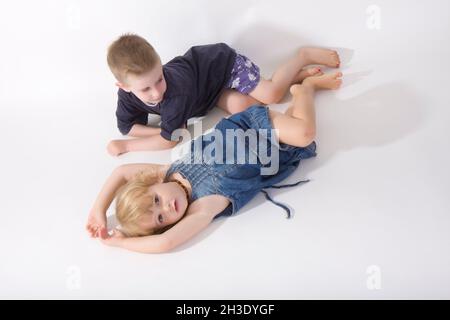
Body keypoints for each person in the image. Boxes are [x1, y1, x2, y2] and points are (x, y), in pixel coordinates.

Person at [86, 71, 343, 253]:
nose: (167, 207)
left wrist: (98, 212)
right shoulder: (202, 209)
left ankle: (305, 88)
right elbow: (164, 244)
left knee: (304, 132)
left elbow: (120, 172)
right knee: (299, 131)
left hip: (248, 126)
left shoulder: (166, 171)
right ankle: (300, 96)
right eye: (161, 218)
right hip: (275, 154)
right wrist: (119, 242)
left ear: (153, 183)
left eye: (156, 200)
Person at [106, 33, 340, 155]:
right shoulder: (127, 96)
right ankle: (295, 77)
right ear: (124, 87)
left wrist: (127, 147)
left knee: (272, 95)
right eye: (145, 88)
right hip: (208, 94)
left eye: (159, 78)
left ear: (160, 65)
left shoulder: (175, 93)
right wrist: (160, 130)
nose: (157, 91)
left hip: (222, 66)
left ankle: (302, 56)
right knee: (244, 108)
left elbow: (170, 141)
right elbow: (127, 127)